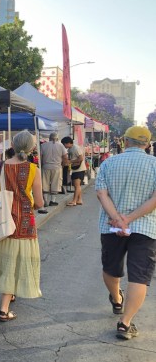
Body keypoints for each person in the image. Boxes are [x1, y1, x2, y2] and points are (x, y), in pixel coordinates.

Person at [95, 126, 156, 340]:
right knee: (139, 276)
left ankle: (116, 299)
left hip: (111, 227)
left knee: (111, 267)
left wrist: (118, 219)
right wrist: (129, 220)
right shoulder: (155, 165)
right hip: (146, 227)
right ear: (147, 144)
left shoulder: (108, 163)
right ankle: (125, 322)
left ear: (126, 141)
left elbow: (101, 193)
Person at [0, 130, 44, 322]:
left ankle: (9, 295)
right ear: (31, 148)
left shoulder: (0, 166)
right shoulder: (34, 169)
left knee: (7, 259)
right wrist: (29, 202)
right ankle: (4, 309)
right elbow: (41, 203)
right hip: (25, 221)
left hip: (3, 221)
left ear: (13, 145)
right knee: (18, 261)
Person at [38, 132, 69, 214]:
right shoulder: (61, 145)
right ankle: (53, 200)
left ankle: (45, 200)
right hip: (57, 167)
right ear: (57, 138)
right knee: (56, 183)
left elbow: (40, 157)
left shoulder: (43, 145)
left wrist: (41, 165)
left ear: (49, 138)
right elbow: (65, 157)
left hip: (46, 167)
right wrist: (63, 164)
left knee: (45, 183)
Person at [61, 136, 86, 206]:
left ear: (68, 143)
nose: (64, 146)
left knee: (76, 185)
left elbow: (81, 158)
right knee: (77, 186)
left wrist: (71, 161)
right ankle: (79, 199)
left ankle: (74, 201)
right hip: (75, 169)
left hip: (79, 169)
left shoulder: (76, 148)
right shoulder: (70, 149)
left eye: (64, 144)